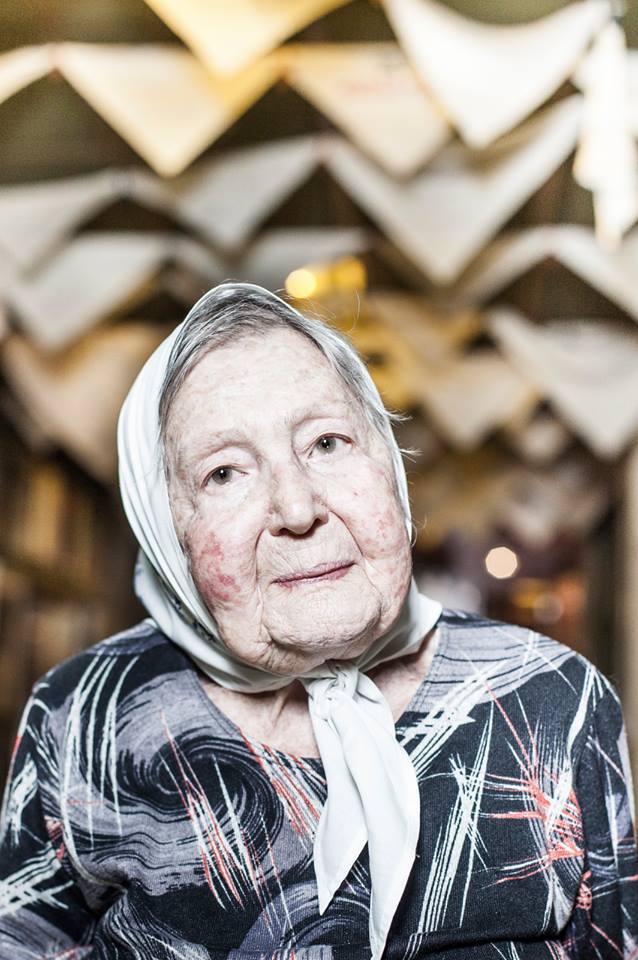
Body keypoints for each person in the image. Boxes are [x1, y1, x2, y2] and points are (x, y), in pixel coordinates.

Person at [0, 281, 636, 959]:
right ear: (167, 533)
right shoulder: (83, 716)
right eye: (225, 473)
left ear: (389, 464)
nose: (298, 508)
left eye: (327, 442)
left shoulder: (552, 695)